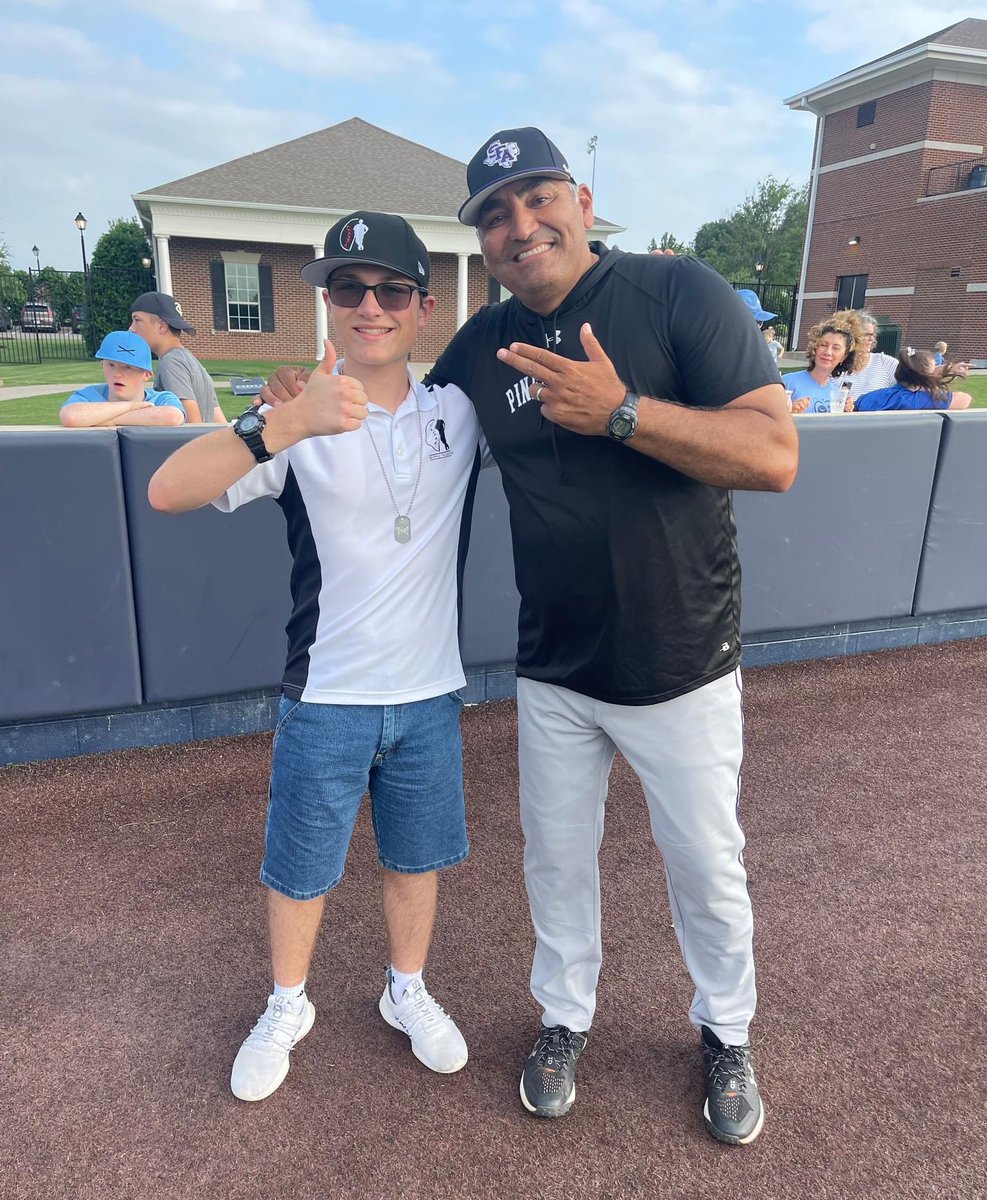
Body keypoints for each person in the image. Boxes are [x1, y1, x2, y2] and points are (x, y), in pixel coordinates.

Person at [265, 127, 798, 1144]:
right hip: (554, 665)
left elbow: (775, 454)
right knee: (555, 865)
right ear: (483, 243)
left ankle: (725, 1031)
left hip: (682, 660)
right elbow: (395, 406)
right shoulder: (478, 347)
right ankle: (566, 1017)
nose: (520, 227)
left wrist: (625, 413)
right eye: (495, 215)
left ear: (582, 200)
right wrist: (291, 401)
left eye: (537, 199)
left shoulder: (678, 292)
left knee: (705, 864)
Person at [147, 213, 483, 1103]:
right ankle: (287, 1003)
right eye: (348, 289)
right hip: (326, 692)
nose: (370, 306)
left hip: (429, 695)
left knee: (416, 862)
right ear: (328, 306)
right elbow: (167, 491)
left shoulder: (459, 409)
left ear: (421, 307)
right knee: (299, 867)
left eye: (391, 290)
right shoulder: (288, 416)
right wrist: (279, 423)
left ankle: (404, 989)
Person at [129, 292, 226, 424]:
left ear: (162, 326)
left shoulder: (171, 362)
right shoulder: (190, 360)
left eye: (137, 320)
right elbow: (220, 422)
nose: (131, 328)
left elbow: (191, 426)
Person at [59, 331, 186, 427]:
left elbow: (172, 416)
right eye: (111, 365)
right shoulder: (90, 394)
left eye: (127, 368)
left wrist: (104, 420)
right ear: (102, 365)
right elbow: (71, 417)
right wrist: (131, 407)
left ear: (146, 374)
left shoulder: (161, 399)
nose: (117, 374)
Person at [784, 313, 863, 412]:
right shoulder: (788, 382)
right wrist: (789, 412)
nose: (828, 352)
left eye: (836, 348)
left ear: (844, 356)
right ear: (815, 347)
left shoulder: (837, 395)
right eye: (823, 345)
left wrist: (846, 414)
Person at [855, 348, 972, 410]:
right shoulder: (916, 400)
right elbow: (964, 399)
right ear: (922, 378)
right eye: (934, 369)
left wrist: (941, 370)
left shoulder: (871, 396)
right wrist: (943, 373)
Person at [841, 309, 898, 396]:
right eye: (865, 334)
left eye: (872, 335)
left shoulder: (885, 362)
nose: (871, 339)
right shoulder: (836, 364)